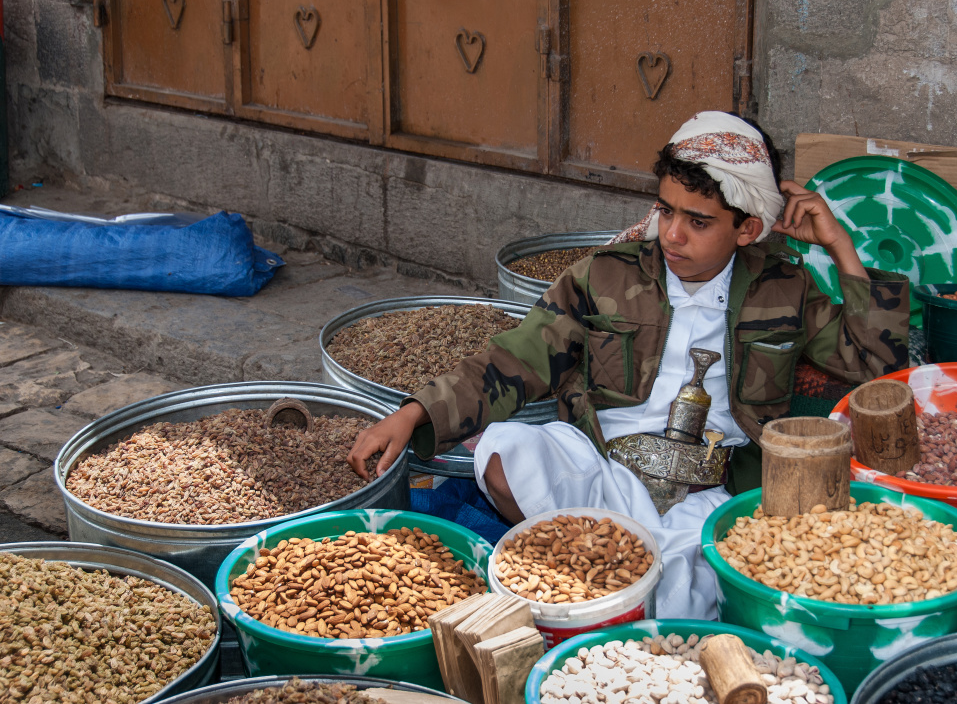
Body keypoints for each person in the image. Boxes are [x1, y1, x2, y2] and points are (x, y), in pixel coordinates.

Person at [347, 111, 910, 620]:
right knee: (504, 452)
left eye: (699, 221)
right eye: (666, 210)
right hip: (604, 472)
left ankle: (615, 590)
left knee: (684, 598)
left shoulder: (783, 288)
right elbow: (518, 354)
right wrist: (415, 414)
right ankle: (597, 568)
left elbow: (875, 366)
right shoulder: (608, 275)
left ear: (747, 228)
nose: (672, 233)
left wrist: (838, 245)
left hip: (708, 495)